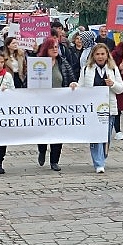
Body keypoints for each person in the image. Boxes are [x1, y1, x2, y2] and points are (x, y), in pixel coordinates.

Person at [77, 43, 123, 173]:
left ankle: (103, 155)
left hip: (108, 108)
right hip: (92, 109)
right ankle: (98, 162)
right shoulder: (86, 69)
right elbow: (81, 86)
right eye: (97, 54)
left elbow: (121, 89)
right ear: (93, 56)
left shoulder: (113, 69)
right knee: (95, 136)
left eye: (102, 54)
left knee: (106, 136)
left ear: (107, 55)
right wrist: (74, 85)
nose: (100, 56)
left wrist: (112, 84)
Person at [36, 37, 76, 171]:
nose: (55, 49)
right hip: (42, 103)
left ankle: (54, 160)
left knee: (58, 132)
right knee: (42, 131)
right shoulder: (38, 63)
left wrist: (72, 83)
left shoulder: (63, 63)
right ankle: (42, 150)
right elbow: (28, 83)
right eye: (52, 47)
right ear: (46, 49)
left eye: (56, 47)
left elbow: (71, 79)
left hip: (59, 104)